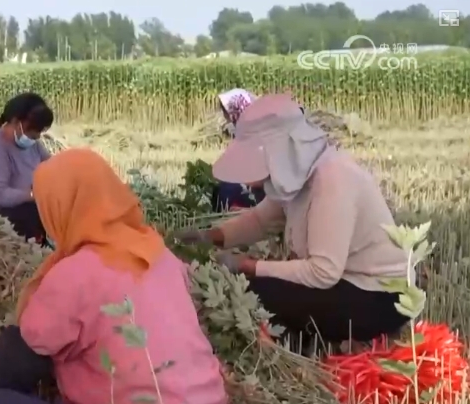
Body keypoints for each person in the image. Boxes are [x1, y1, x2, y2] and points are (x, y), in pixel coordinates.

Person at [0, 148, 227, 404]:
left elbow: (25, 350)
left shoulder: (76, 274)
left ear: (60, 207)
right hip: (209, 398)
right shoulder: (159, 253)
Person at [174, 94, 410, 348]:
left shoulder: (332, 181)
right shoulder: (299, 175)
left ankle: (290, 346)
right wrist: (211, 237)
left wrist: (249, 266)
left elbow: (323, 272)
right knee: (261, 288)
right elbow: (260, 220)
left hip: (380, 296)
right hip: (348, 282)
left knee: (254, 292)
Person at [0, 92, 54, 247]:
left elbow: (52, 166)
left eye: (39, 131)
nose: (37, 136)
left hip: (27, 210)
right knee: (31, 212)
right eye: (33, 130)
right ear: (16, 122)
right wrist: (33, 194)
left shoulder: (33, 144)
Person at [212, 88, 265, 211]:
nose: (226, 118)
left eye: (227, 113)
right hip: (253, 188)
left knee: (228, 188)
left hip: (266, 197)